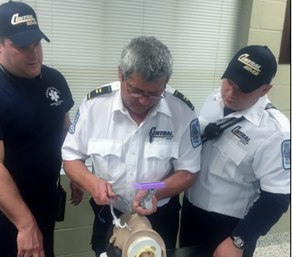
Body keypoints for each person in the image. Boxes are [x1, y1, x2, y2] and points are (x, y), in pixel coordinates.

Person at [62, 36, 202, 256]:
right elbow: (70, 156)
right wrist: (91, 182)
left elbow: (189, 171)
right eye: (136, 91)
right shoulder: (95, 106)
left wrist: (156, 192)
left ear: (165, 83)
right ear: (121, 75)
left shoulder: (181, 112)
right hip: (109, 213)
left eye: (155, 93)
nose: (144, 100)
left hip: (159, 215)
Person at [179, 45, 290, 257]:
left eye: (243, 89)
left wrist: (239, 241)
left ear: (265, 89)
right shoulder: (214, 99)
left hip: (230, 226)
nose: (230, 93)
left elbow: (277, 198)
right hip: (192, 211)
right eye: (229, 82)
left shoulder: (276, 132)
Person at [0, 1, 83, 257]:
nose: (34, 54)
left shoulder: (54, 79)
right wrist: (25, 223)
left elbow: (66, 133)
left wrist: (75, 172)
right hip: (4, 211)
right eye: (22, 47)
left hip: (45, 201)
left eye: (37, 44)